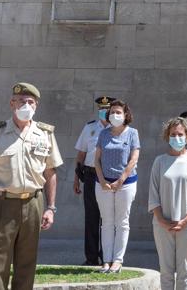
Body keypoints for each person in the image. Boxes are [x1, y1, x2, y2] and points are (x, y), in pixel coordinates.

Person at [0, 82, 63, 290]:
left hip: (34, 203)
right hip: (2, 204)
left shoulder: (45, 133)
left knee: (27, 264)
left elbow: (50, 172)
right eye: (22, 101)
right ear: (12, 103)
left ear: (36, 106)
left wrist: (51, 207)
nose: (26, 105)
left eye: (31, 102)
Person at [149, 116, 187, 290]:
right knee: (165, 271)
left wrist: (186, 220)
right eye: (173, 134)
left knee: (184, 271)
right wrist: (161, 220)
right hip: (162, 225)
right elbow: (153, 193)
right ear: (168, 136)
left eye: (180, 134)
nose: (177, 137)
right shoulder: (159, 161)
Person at [94, 100, 141, 271]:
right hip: (103, 183)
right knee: (106, 222)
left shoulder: (132, 133)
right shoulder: (103, 133)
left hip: (126, 183)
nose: (115, 115)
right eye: (112, 112)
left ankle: (118, 260)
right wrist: (102, 180)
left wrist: (120, 180)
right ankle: (106, 260)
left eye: (119, 112)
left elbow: (134, 158)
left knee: (122, 222)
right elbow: (96, 159)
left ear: (126, 115)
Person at [73, 96, 111, 267]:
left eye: (107, 108)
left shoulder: (117, 129)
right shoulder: (90, 128)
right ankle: (91, 258)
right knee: (91, 218)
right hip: (89, 175)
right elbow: (81, 154)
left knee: (108, 218)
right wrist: (76, 178)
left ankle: (107, 257)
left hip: (109, 177)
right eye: (101, 108)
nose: (104, 111)